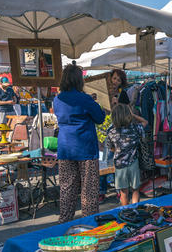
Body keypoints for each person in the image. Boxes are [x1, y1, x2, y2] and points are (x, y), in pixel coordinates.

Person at [54, 64, 105, 222]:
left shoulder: (57, 99)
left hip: (65, 147)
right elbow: (100, 117)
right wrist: (92, 102)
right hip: (85, 148)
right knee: (88, 189)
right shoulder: (84, 99)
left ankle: (65, 221)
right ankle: (89, 224)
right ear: (79, 80)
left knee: (67, 188)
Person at [106, 104, 148, 205]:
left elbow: (111, 148)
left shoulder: (111, 131)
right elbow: (145, 122)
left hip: (119, 165)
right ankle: (135, 210)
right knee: (135, 190)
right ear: (128, 115)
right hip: (133, 162)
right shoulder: (135, 128)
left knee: (123, 192)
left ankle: (126, 212)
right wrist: (133, 115)